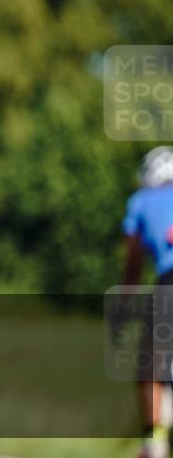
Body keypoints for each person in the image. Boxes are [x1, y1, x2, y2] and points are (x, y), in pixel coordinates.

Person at [121, 146, 173, 458]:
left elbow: (133, 263)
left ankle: (154, 440)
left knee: (150, 364)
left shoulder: (141, 202)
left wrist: (126, 300)